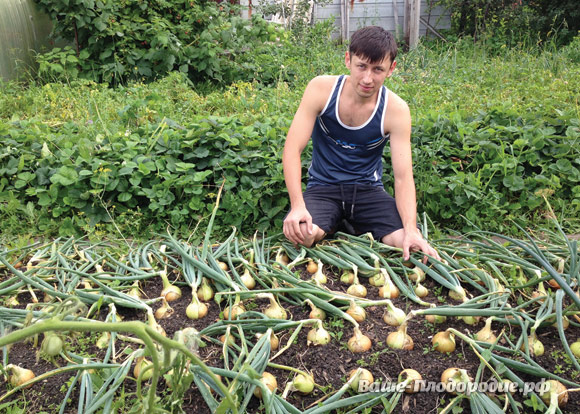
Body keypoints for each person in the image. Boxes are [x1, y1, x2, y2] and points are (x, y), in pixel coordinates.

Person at [282, 25, 439, 262]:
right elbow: (293, 150)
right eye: (361, 66)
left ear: (391, 69)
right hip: (324, 188)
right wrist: (297, 206)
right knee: (302, 235)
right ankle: (336, 223)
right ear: (348, 59)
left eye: (378, 70)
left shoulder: (395, 110)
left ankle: (346, 224)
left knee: (410, 247)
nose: (368, 78)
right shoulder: (321, 89)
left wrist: (411, 229)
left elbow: (403, 176)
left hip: (368, 191)